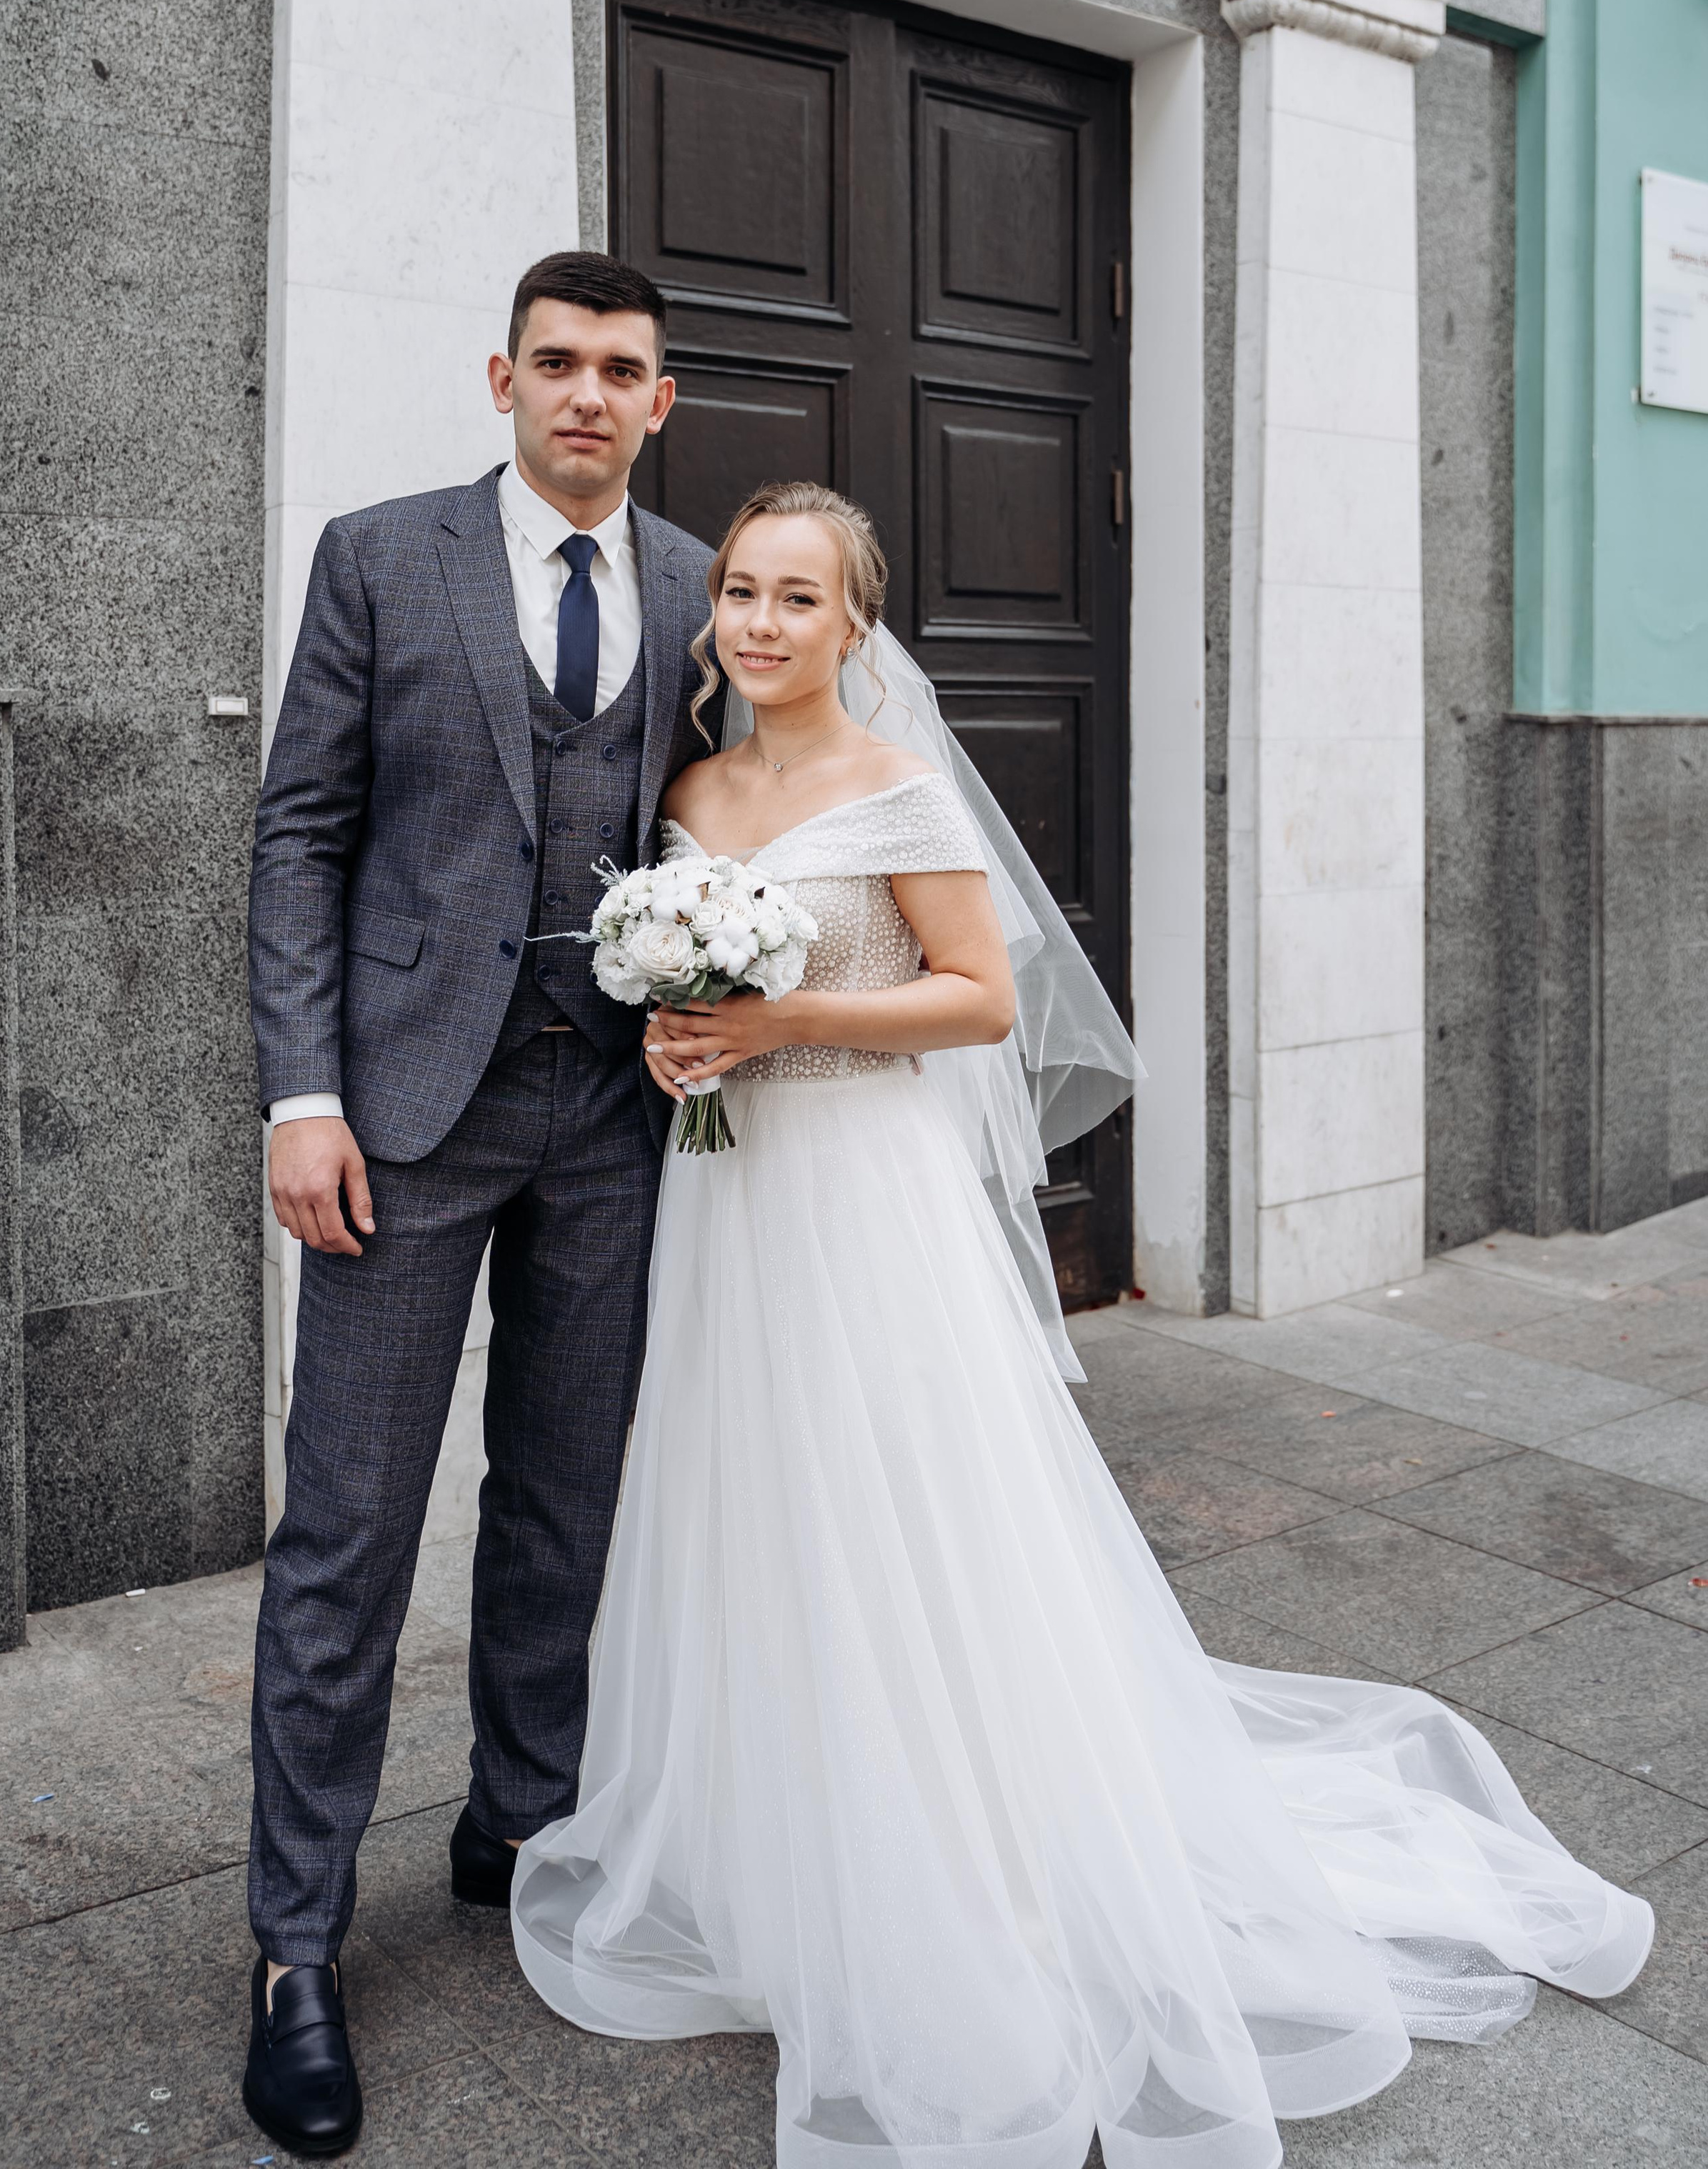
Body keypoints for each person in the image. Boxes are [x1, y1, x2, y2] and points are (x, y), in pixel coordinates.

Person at [509, 481, 1654, 2169]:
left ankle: (966, 1852)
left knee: (908, 1514)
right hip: (732, 1202)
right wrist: (684, 1043)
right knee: (756, 1510)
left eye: (796, 599)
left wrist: (783, 1018)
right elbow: (687, 1004)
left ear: (853, 625)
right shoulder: (685, 791)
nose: (756, 623)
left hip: (862, 1201)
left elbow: (979, 999)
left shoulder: (894, 791)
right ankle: (784, 1844)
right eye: (739, 593)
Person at [241, 251, 713, 2158]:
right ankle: (292, 1948)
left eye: (621, 371)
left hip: (610, 1108)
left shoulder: (699, 586)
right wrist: (302, 1091)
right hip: (405, 1117)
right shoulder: (379, 554)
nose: (587, 396)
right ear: (500, 378)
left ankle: (517, 1823)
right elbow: (303, 831)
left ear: (658, 399)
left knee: (561, 1499)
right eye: (558, 365)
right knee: (348, 1530)